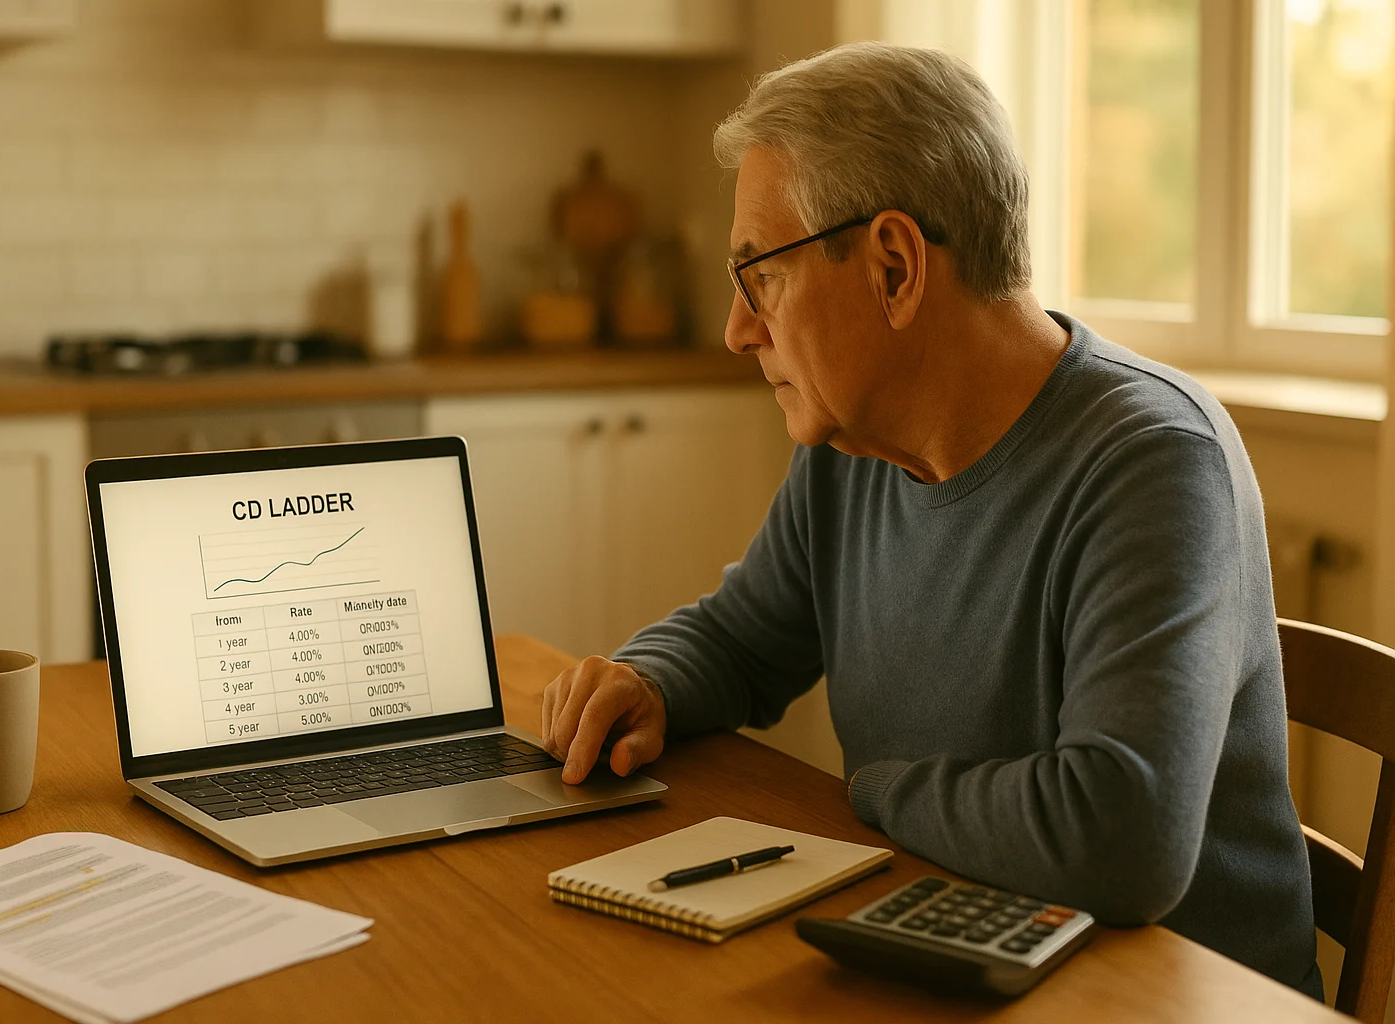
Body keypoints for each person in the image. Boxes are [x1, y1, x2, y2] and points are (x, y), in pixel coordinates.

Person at [538, 41, 1321, 996]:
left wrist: (876, 788)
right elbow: (745, 642)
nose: (739, 329)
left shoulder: (1154, 460)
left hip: (1170, 999)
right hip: (958, 952)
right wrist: (649, 683)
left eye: (761, 277)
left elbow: (1122, 837)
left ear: (896, 268)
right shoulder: (852, 451)